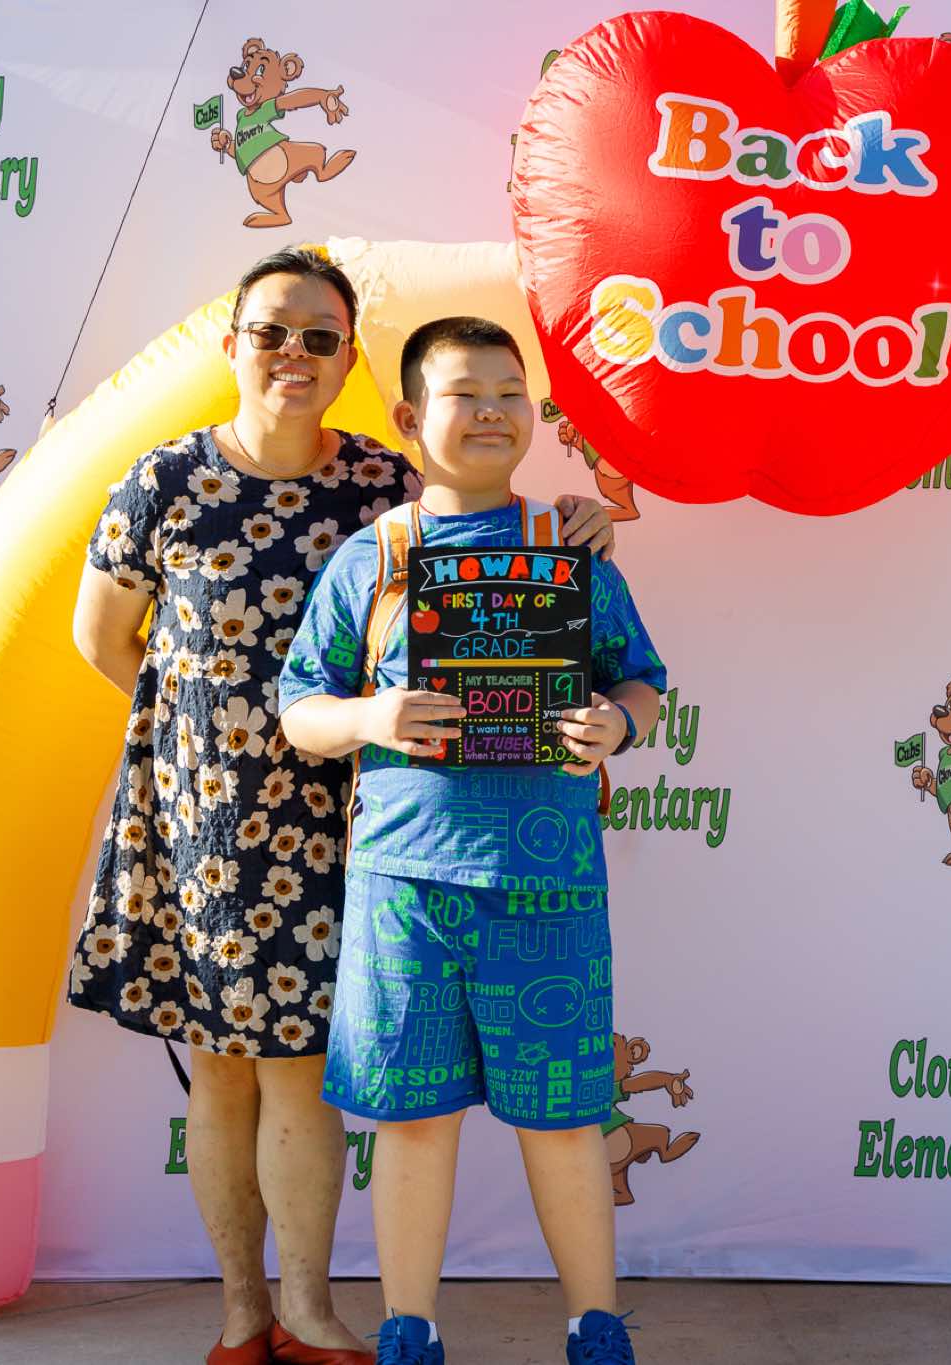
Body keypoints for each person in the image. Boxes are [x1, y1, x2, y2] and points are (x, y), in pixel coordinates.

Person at [68, 250, 619, 1365]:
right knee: (223, 1068)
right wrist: (206, 733)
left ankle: (312, 1309)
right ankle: (243, 1314)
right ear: (232, 345)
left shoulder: (380, 483)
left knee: (303, 1066)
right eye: (272, 332)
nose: (294, 354)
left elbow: (480, 519)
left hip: (350, 823)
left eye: (320, 337)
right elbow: (101, 638)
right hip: (210, 824)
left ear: (348, 359)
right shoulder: (163, 481)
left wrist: (578, 518)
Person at [278, 317, 666, 1365]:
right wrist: (370, 717)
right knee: (412, 1122)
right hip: (404, 888)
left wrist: (616, 723)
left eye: (509, 392)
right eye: (464, 393)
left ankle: (594, 1325)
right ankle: (409, 1329)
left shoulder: (571, 548)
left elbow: (642, 679)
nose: (491, 411)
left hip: (547, 888)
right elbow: (300, 707)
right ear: (410, 418)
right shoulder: (372, 559)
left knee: (563, 1120)